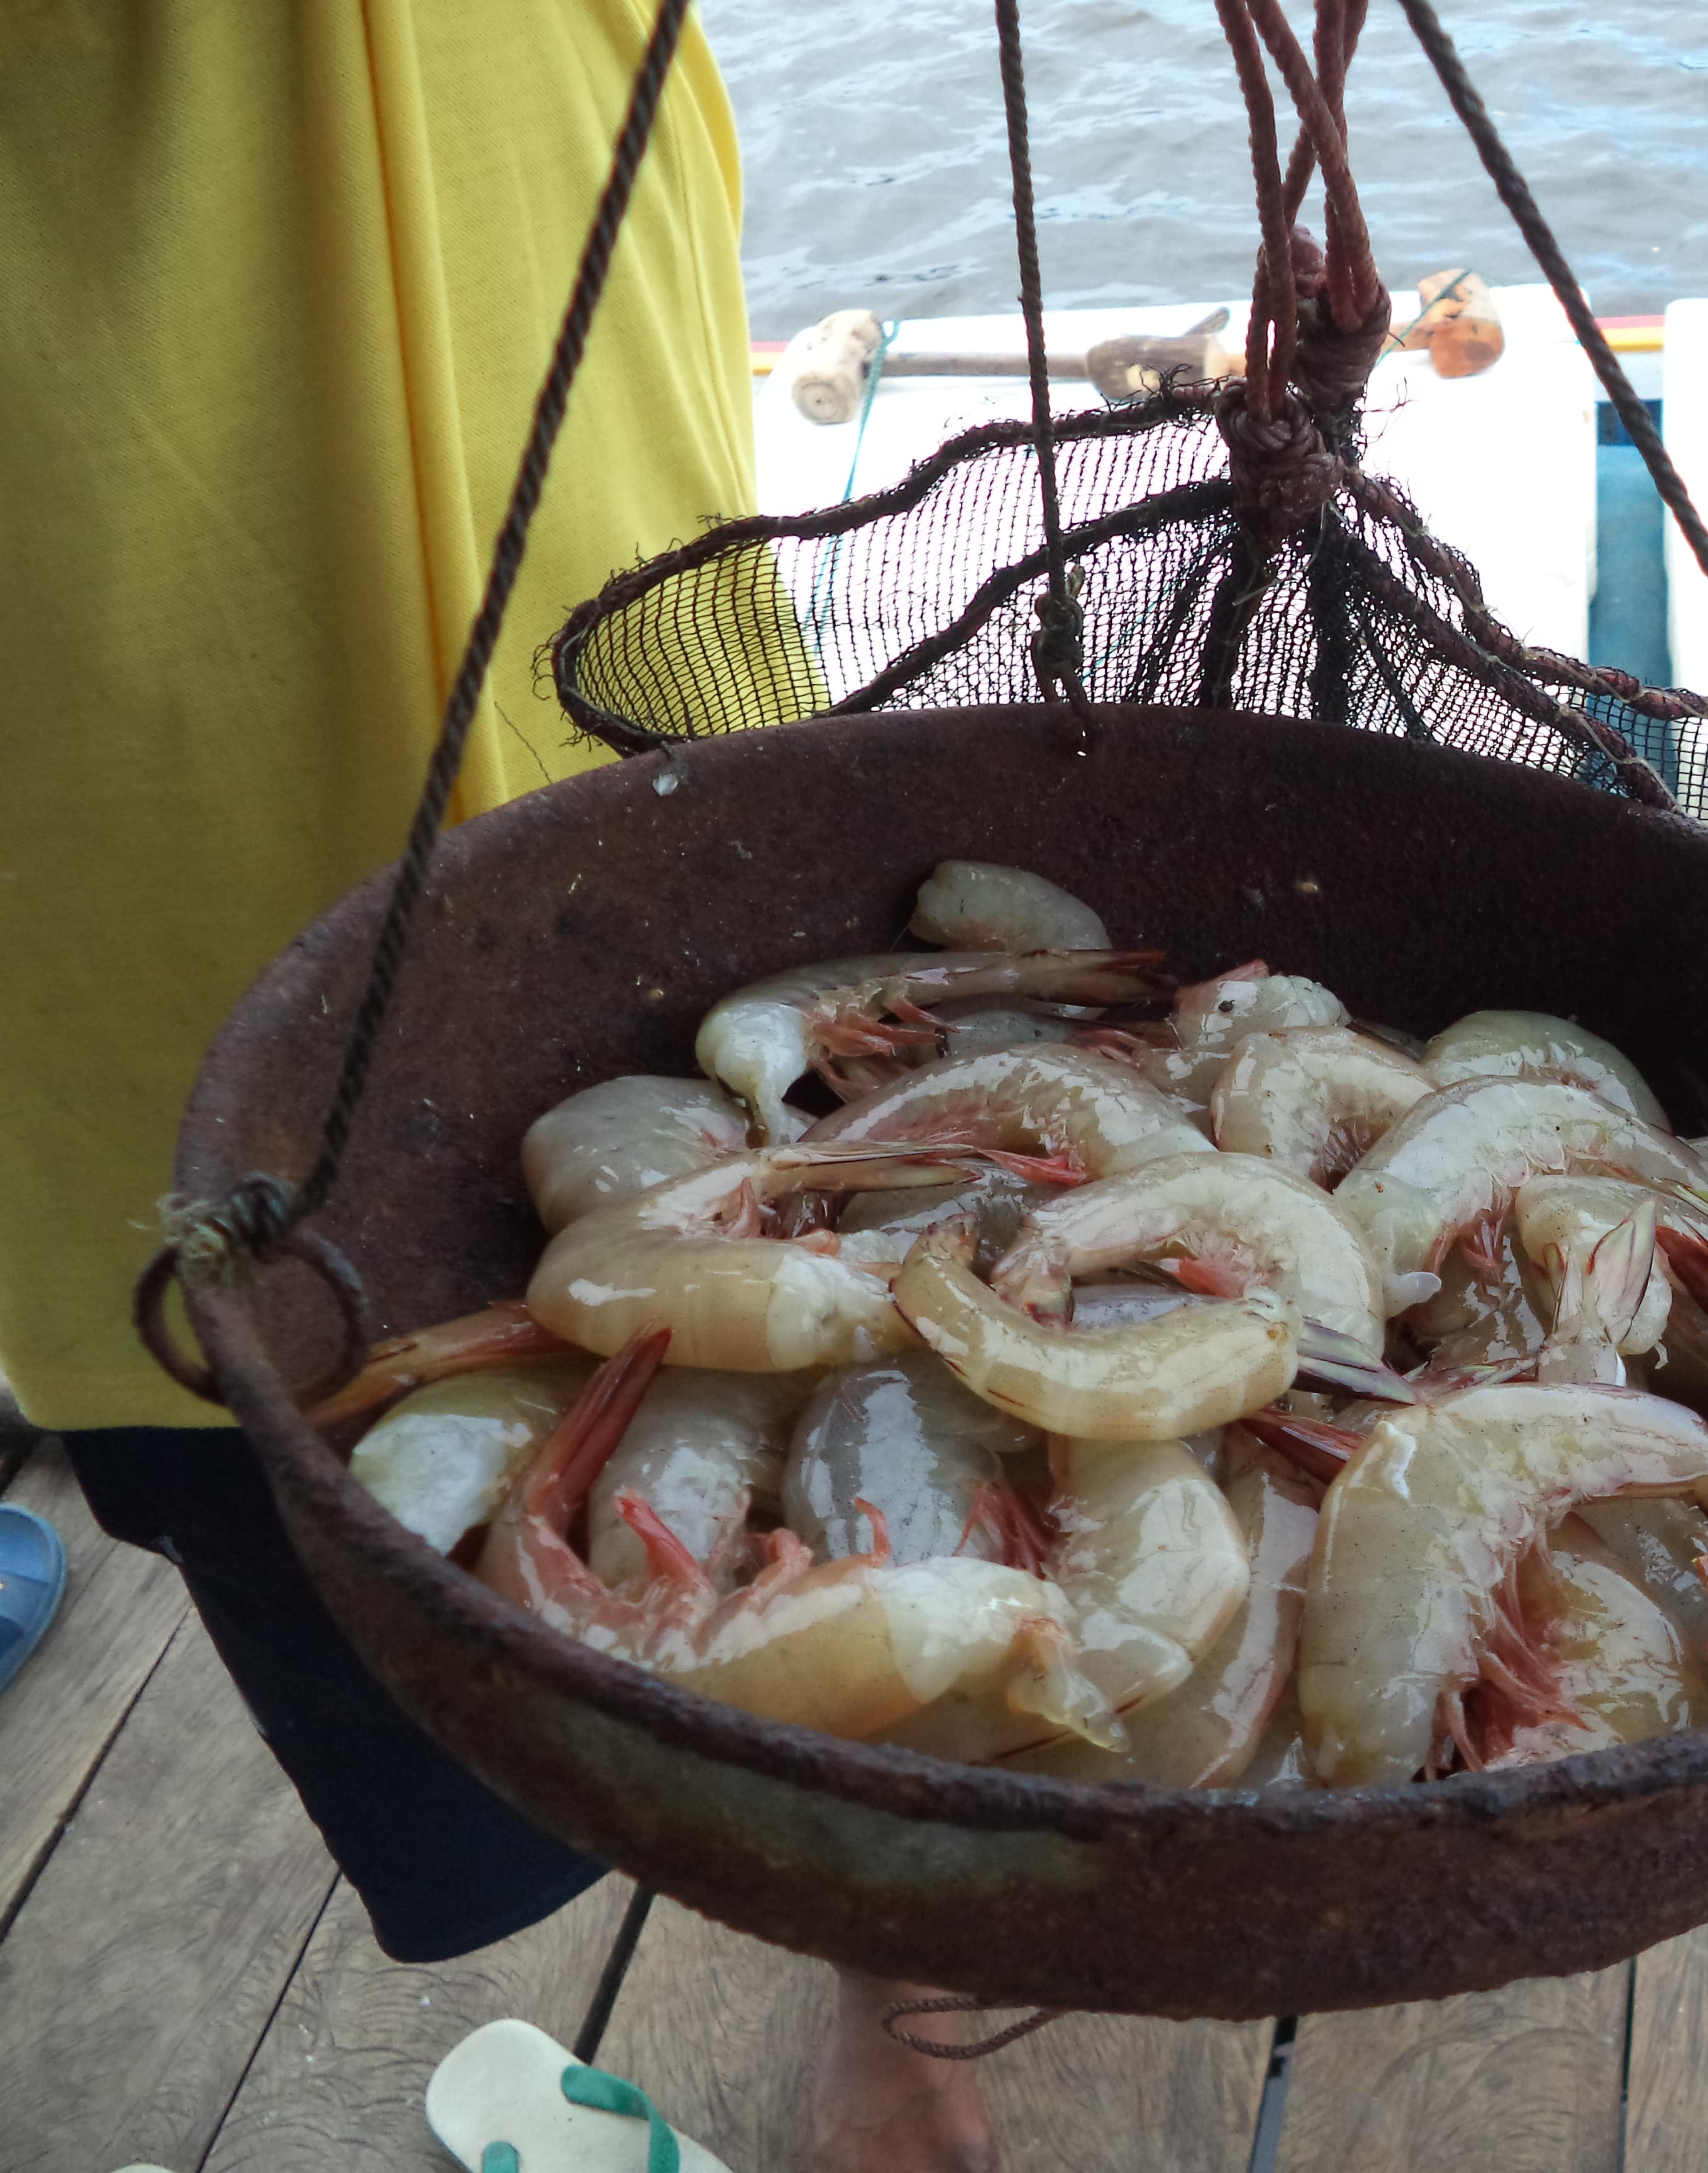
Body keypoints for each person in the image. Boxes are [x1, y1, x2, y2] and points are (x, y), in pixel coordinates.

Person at [0, 8, 989, 2165]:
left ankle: (898, 2018)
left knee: (858, 1252)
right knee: (296, 1407)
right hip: (88, 622)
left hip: (542, 327)